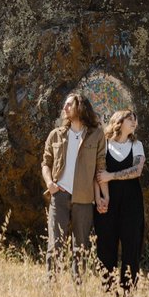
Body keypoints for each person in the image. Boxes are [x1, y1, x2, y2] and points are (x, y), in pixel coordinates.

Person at [41, 92, 106, 279]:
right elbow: (46, 163)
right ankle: (51, 285)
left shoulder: (97, 135)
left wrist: (102, 196)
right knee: (55, 244)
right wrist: (50, 184)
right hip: (59, 195)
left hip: (84, 197)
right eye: (65, 104)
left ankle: (78, 287)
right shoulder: (56, 135)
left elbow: (101, 167)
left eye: (69, 104)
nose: (65, 108)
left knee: (81, 245)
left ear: (80, 106)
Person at [94, 109, 145, 297]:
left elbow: (137, 170)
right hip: (108, 201)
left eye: (135, 119)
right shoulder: (105, 145)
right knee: (106, 246)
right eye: (130, 118)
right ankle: (108, 291)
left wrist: (112, 176)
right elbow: (97, 174)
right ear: (118, 122)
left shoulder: (137, 145)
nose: (134, 122)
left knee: (132, 246)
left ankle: (127, 292)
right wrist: (99, 198)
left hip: (132, 203)